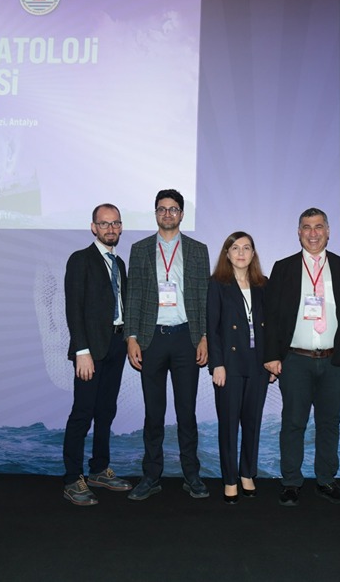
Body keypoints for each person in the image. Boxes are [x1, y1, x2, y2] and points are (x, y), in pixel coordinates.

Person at [264, 208, 340, 506]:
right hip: (295, 359)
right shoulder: (283, 268)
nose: (313, 233)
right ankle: (291, 482)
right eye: (307, 227)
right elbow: (271, 317)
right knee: (293, 422)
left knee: (329, 423)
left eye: (318, 226)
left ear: (328, 231)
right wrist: (271, 356)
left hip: (334, 360)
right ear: (299, 232)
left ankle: (326, 480)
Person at [126, 189, 210, 501]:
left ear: (182, 214)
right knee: (154, 413)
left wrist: (204, 337)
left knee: (187, 412)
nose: (167, 214)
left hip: (187, 338)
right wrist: (131, 337)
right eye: (162, 209)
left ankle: (192, 475)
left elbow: (203, 297)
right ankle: (151, 475)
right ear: (155, 213)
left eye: (173, 209)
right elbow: (133, 295)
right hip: (151, 340)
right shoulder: (140, 249)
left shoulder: (198, 250)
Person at [61, 203, 132, 505]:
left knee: (106, 411)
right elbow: (74, 308)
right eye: (104, 224)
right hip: (90, 350)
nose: (110, 229)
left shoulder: (120, 263)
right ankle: (72, 479)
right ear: (94, 228)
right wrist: (82, 350)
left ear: (121, 227)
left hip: (116, 346)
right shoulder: (81, 259)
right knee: (83, 413)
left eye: (115, 223)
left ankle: (99, 470)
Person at [206, 231, 274, 504]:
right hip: (229, 364)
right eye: (235, 248)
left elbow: (272, 327)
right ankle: (230, 479)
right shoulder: (217, 284)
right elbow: (212, 328)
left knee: (252, 423)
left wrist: (272, 361)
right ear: (227, 253)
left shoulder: (263, 284)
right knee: (229, 425)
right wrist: (217, 364)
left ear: (253, 253)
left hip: (258, 363)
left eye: (247, 248)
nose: (241, 253)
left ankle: (247, 473)